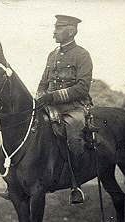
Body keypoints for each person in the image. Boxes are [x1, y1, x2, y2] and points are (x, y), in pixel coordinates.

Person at [36, 14, 93, 204]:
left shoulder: (82, 55)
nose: (54, 31)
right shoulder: (52, 55)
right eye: (55, 27)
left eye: (59, 28)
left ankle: (75, 184)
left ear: (71, 30)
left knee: (74, 138)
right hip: (50, 107)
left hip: (74, 107)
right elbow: (43, 83)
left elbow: (82, 88)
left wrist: (53, 96)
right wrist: (40, 97)